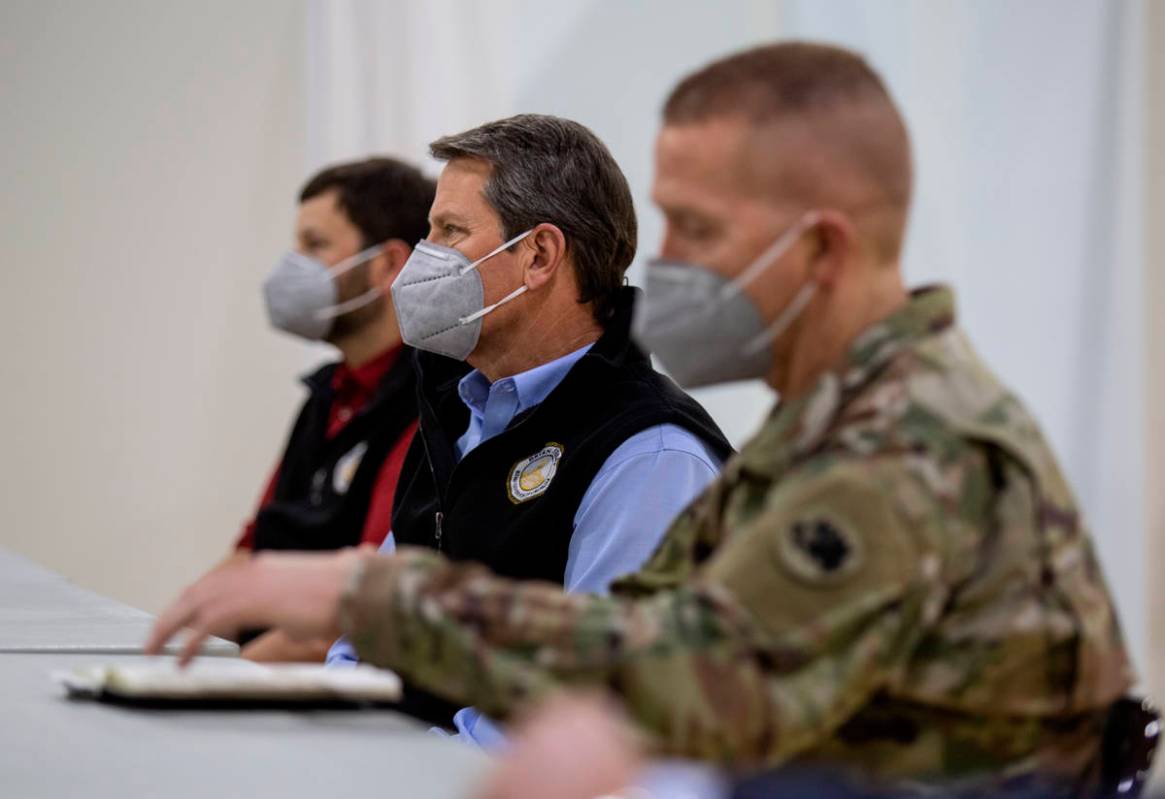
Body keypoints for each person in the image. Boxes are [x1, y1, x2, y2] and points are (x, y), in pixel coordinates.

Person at [148, 43, 1135, 794]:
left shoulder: (906, 442)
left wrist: (363, 599)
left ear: (821, 248)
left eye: (697, 229)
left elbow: (690, 669)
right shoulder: (827, 420)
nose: (656, 258)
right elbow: (625, 633)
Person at [324, 114, 732, 735]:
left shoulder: (649, 455)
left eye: (450, 231)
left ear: (539, 255)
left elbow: (589, 704)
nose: (422, 259)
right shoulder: (456, 408)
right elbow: (363, 638)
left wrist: (398, 764)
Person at [228, 157, 434, 662]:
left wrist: (225, 677)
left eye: (315, 246)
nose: (292, 266)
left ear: (387, 265)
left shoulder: (427, 404)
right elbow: (249, 553)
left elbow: (352, 613)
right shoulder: (327, 394)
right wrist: (160, 652)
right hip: (264, 680)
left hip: (326, 697)